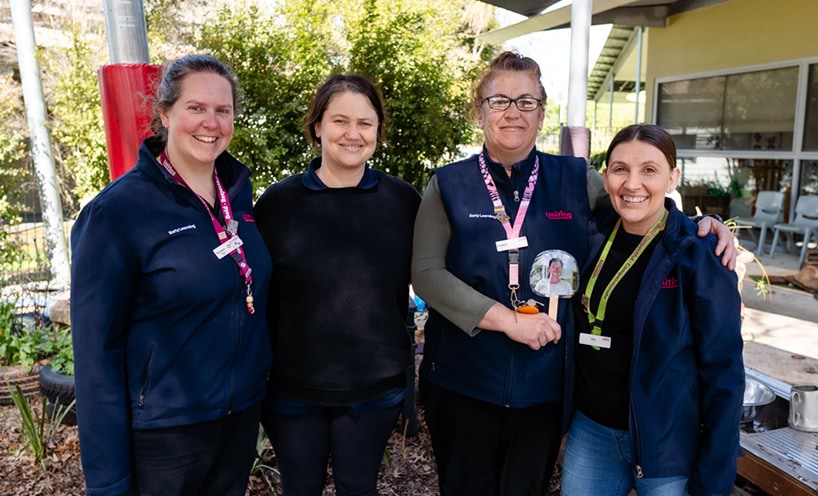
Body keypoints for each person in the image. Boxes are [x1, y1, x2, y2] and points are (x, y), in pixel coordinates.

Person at [410, 51, 737, 496]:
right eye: (499, 100)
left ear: (542, 112)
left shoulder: (576, 178)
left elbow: (639, 200)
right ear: (479, 109)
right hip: (463, 382)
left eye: (526, 101)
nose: (512, 111)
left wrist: (704, 226)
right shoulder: (447, 183)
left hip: (545, 389)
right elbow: (427, 274)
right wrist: (508, 321)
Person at [71, 54, 272, 496]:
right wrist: (107, 482)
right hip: (164, 434)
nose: (211, 122)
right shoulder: (117, 213)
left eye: (223, 111)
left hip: (237, 421)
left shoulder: (237, 197)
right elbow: (95, 355)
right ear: (165, 114)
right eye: (196, 108)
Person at [254, 74, 420, 496]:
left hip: (373, 390)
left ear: (378, 131)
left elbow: (432, 275)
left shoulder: (403, 202)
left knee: (358, 487)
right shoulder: (277, 204)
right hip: (291, 389)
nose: (353, 133)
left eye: (365, 123)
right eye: (340, 120)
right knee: (300, 488)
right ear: (317, 127)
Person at [561, 125, 744, 496]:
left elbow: (724, 372)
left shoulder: (699, 255)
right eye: (619, 169)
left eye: (649, 170)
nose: (632, 184)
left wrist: (715, 477)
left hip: (667, 443)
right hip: (592, 431)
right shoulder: (592, 234)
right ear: (606, 174)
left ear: (673, 177)